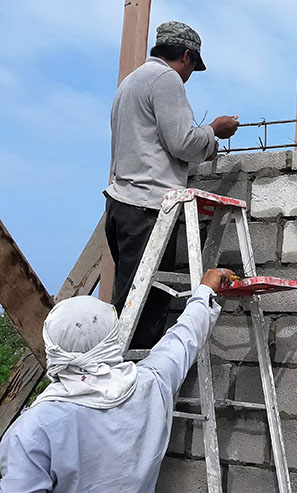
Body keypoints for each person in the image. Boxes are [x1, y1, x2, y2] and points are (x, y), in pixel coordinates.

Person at [0, 268, 235, 492]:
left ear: (53, 346)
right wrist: (205, 290)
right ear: (111, 338)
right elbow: (185, 337)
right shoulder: (150, 384)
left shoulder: (32, 430)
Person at [104, 20, 239, 349]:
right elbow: (182, 143)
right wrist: (213, 132)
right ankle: (134, 391)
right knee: (147, 310)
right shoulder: (166, 79)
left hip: (122, 204)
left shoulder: (132, 81)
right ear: (187, 56)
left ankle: (111, 381)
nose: (190, 75)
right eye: (193, 67)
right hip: (147, 207)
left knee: (127, 305)